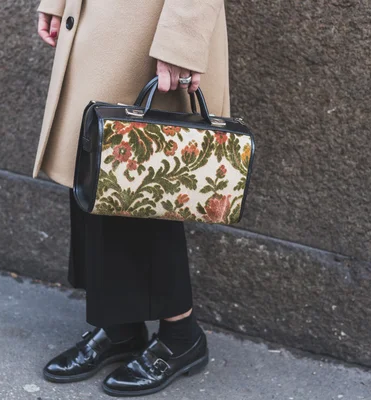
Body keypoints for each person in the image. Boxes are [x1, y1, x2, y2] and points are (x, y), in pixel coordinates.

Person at [33, 0, 230, 396]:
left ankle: (181, 336)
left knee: (145, 182)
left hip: (152, 28)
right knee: (95, 172)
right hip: (97, 21)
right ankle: (121, 324)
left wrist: (181, 41)